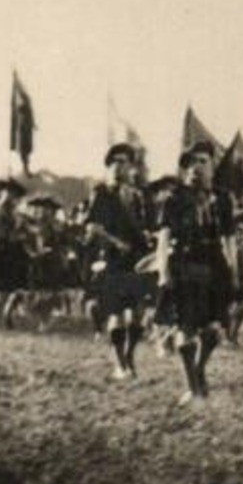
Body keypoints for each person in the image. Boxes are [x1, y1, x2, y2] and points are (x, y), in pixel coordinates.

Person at [154, 141, 238, 405]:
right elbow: (164, 237)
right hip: (184, 263)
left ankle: (199, 368)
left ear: (212, 165)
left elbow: (229, 237)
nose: (196, 168)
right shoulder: (174, 198)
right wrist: (162, 271)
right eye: (190, 163)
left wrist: (234, 269)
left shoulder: (222, 198)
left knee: (213, 330)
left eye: (202, 161)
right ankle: (193, 387)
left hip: (214, 264)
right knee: (186, 327)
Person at [84, 143, 153, 380]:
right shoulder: (101, 193)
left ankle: (129, 356)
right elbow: (93, 226)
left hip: (135, 259)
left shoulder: (136, 196)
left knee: (136, 313)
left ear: (130, 166)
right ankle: (120, 363)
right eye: (114, 162)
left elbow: (146, 225)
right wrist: (115, 242)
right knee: (115, 312)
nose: (119, 166)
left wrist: (147, 236)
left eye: (123, 162)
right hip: (111, 259)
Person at [0, 178, 30, 330]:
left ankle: (5, 320)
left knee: (13, 289)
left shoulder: (18, 213)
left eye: (13, 194)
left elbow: (23, 231)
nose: (10, 196)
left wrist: (20, 230)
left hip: (14, 251)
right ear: (0, 193)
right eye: (6, 192)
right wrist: (2, 205)